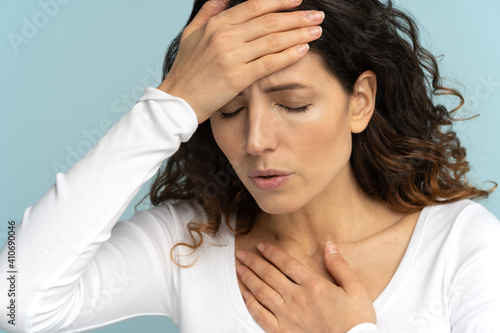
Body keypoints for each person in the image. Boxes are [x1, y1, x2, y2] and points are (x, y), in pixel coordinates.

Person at [0, 0, 499, 332]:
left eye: (293, 105)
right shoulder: (190, 243)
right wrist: (172, 103)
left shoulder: (460, 246)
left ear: (359, 101)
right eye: (228, 110)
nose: (255, 141)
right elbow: (15, 295)